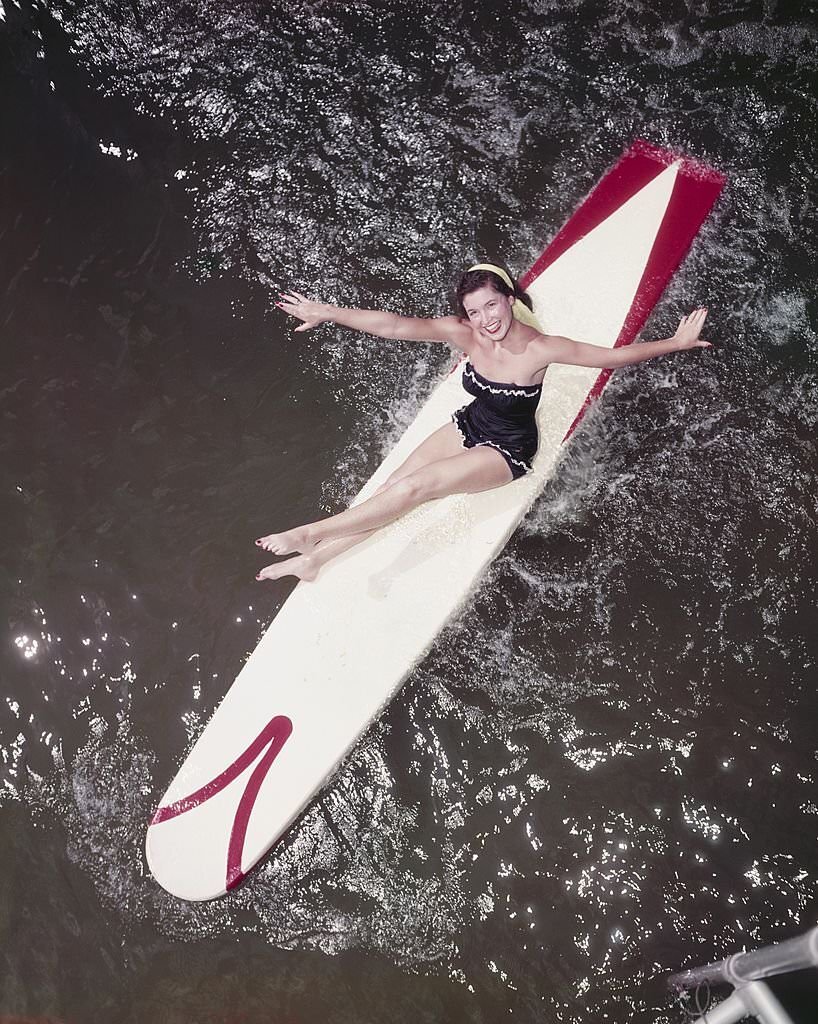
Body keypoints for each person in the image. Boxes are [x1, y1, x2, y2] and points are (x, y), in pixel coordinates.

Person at [255, 263, 710, 582]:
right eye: (475, 312)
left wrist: (676, 342)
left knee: (416, 489)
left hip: (506, 449)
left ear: (509, 300)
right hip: (470, 423)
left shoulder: (540, 348)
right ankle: (317, 561)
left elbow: (611, 357)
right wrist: (328, 312)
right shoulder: (465, 334)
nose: (485, 320)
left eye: (492, 306)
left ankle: (310, 533)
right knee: (391, 490)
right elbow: (394, 326)